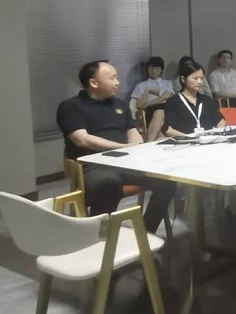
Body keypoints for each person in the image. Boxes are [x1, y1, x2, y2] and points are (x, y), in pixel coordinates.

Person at [56, 61, 175, 233]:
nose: (117, 82)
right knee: (109, 183)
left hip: (125, 162)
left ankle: (145, 233)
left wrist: (135, 145)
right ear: (94, 82)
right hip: (92, 166)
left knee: (167, 181)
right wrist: (122, 147)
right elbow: (82, 139)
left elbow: (132, 131)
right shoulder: (71, 106)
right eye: (112, 78)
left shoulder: (119, 104)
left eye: (117, 77)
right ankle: (99, 236)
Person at [162, 59, 225, 136]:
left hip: (209, 139)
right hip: (186, 141)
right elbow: (168, 130)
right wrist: (188, 138)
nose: (200, 82)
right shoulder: (173, 102)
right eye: (195, 78)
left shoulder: (206, 100)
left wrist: (218, 134)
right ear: (183, 79)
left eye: (201, 78)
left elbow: (220, 120)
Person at [131, 56, 174, 142]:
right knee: (159, 111)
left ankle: (152, 140)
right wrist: (147, 90)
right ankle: (152, 140)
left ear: (161, 70)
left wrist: (150, 102)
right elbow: (139, 105)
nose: (153, 71)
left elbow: (166, 96)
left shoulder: (167, 83)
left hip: (168, 112)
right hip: (150, 113)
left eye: (156, 68)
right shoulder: (141, 86)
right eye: (151, 68)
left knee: (162, 109)